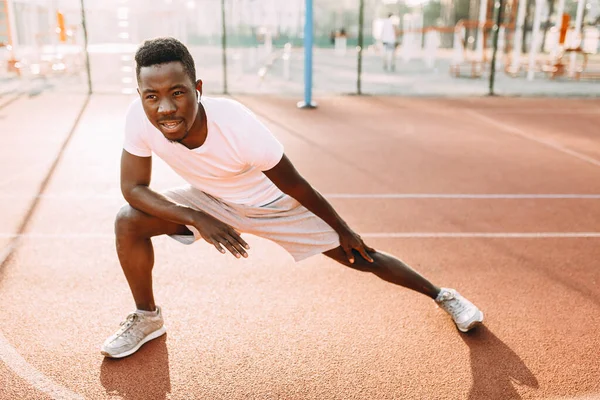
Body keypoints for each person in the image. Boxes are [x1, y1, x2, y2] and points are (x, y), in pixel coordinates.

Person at [100, 37, 484, 359]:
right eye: (152, 96)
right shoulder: (138, 117)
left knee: (361, 257)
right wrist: (198, 217)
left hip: (275, 205)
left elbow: (297, 185)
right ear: (140, 95)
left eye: (178, 93)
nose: (165, 107)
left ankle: (443, 295)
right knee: (128, 220)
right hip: (211, 200)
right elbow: (133, 188)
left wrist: (343, 229)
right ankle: (147, 318)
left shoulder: (237, 124)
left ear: (197, 89)